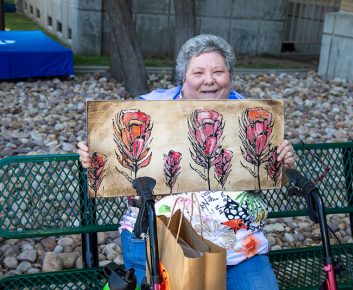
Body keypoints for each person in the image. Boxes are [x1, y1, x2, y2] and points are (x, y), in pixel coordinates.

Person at [78, 34, 297, 290]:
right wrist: (93, 156)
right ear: (183, 77)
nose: (209, 80)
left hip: (237, 248)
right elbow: (115, 158)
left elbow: (269, 170)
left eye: (218, 71)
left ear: (230, 75)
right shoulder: (150, 109)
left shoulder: (255, 115)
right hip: (159, 242)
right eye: (198, 72)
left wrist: (285, 160)